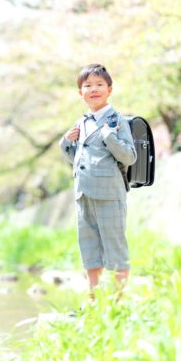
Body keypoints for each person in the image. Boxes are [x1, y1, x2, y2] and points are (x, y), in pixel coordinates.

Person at [59, 64, 136, 297]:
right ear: (80, 92)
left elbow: (130, 156)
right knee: (89, 248)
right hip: (83, 194)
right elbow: (78, 159)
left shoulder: (116, 120)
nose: (94, 89)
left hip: (109, 194)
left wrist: (108, 136)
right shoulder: (82, 122)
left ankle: (117, 301)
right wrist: (65, 143)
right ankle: (94, 300)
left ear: (109, 90)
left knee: (115, 248)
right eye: (88, 86)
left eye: (99, 85)